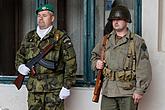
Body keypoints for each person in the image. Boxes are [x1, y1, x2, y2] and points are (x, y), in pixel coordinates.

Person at [15, 3, 77, 110]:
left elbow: (70, 63)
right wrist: (20, 67)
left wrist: (67, 86)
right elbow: (20, 56)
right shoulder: (29, 36)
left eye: (44, 15)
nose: (41, 18)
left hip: (54, 91)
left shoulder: (61, 37)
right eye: (39, 15)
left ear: (52, 18)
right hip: (34, 90)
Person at [91, 5, 152, 110]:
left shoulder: (137, 42)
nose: (116, 22)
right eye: (113, 19)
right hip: (108, 91)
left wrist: (139, 90)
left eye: (119, 19)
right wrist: (96, 63)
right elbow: (94, 56)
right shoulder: (106, 40)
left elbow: (143, 67)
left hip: (128, 91)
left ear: (126, 20)